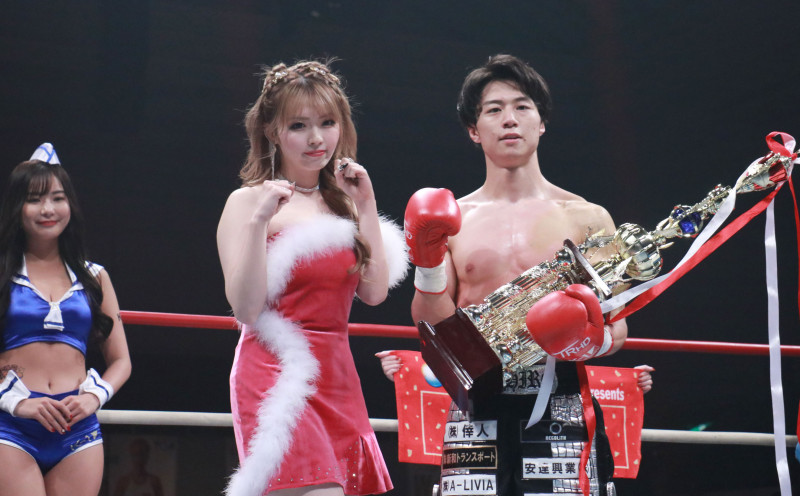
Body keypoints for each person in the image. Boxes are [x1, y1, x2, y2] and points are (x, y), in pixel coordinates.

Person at [400, 54, 629, 495]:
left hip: (561, 393)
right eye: (494, 109)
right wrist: (427, 262)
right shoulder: (453, 218)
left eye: (522, 106)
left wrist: (589, 339)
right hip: (476, 401)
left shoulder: (587, 217)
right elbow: (431, 326)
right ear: (474, 130)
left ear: (541, 123)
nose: (509, 119)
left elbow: (618, 327)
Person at [216, 60, 407, 496]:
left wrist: (366, 204)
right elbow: (245, 308)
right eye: (299, 126)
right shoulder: (245, 203)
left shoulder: (346, 202)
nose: (316, 138)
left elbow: (375, 292)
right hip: (277, 375)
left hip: (338, 376)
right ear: (272, 131)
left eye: (327, 123)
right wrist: (260, 220)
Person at [0, 143, 132, 496]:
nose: (48, 209)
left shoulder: (95, 277)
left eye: (57, 198)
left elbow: (121, 360)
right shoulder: (2, 274)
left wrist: (94, 398)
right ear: (17, 206)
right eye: (34, 199)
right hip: (10, 424)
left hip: (78, 427)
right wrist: (17, 402)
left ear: (70, 204)